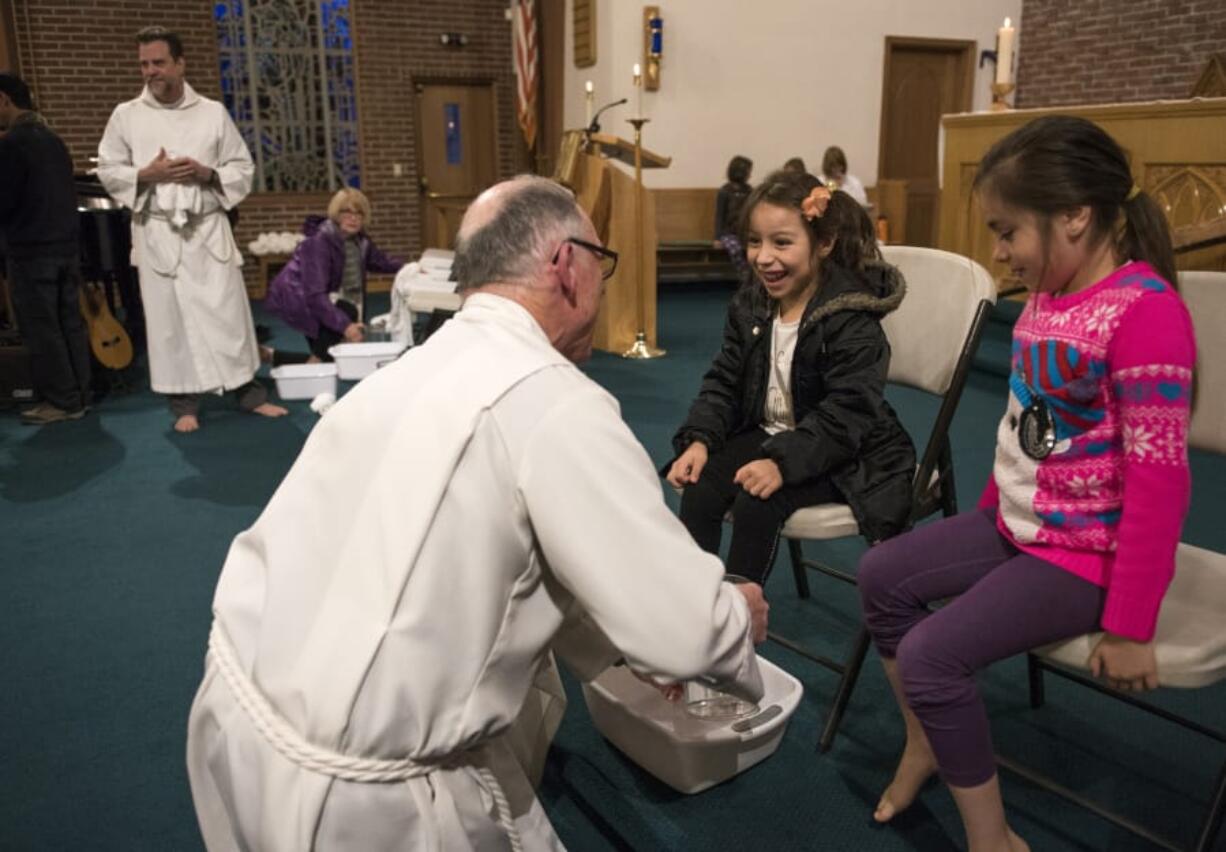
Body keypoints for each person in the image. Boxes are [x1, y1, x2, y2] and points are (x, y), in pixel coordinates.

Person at [185, 175, 769, 850]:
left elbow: (490, 557)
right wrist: (733, 614)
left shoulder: (410, 367)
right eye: (602, 265)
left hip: (237, 719)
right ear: (566, 265)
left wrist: (618, 650)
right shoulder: (555, 405)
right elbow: (685, 632)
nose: (603, 286)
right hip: (358, 804)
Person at [857, 115, 1196, 852]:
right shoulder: (1049, 294)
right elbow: (1022, 434)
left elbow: (1159, 483)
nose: (998, 251)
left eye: (1008, 232)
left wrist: (1132, 624)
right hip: (1024, 527)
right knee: (882, 573)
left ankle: (995, 841)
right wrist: (984, 522)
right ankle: (929, 742)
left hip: (1088, 554)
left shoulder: (1146, 315)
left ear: (1075, 216)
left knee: (930, 655)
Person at [666, 169, 916, 585]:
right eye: (754, 241)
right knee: (702, 486)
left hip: (847, 453)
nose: (763, 257)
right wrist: (700, 438)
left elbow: (848, 413)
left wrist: (782, 463)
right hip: (776, 436)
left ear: (824, 243)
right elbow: (724, 381)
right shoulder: (751, 304)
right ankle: (695, 606)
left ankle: (741, 619)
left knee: (755, 501)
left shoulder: (851, 318)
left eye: (782, 242)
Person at [96, 26, 287, 433]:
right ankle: (184, 404)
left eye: (159, 62)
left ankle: (249, 395)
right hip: (158, 233)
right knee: (171, 322)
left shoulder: (212, 113)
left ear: (180, 63)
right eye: (144, 64)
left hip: (206, 230)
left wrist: (206, 172)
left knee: (228, 313)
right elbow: (109, 170)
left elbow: (242, 168)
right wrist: (147, 173)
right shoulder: (126, 115)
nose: (150, 71)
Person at [0, 73, 92, 425]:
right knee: (70, 323)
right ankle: (80, 394)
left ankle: (63, 401)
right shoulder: (53, 140)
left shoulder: (12, 144)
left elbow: (5, 201)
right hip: (66, 246)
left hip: (31, 249)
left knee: (42, 327)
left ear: (4, 100)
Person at [263, 187, 404, 364]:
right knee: (330, 350)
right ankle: (300, 361)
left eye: (359, 213)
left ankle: (271, 355)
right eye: (347, 212)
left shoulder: (360, 241)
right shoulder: (319, 242)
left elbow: (380, 261)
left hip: (326, 298)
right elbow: (314, 295)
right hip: (299, 297)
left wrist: (409, 268)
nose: (353, 218)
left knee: (331, 358)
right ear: (336, 213)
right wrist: (345, 326)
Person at [713, 155, 753, 285]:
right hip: (728, 233)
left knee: (752, 248)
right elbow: (720, 215)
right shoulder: (725, 191)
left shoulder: (749, 191)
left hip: (745, 232)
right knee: (735, 248)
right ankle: (744, 275)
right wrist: (717, 238)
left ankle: (754, 277)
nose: (750, 175)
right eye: (748, 172)